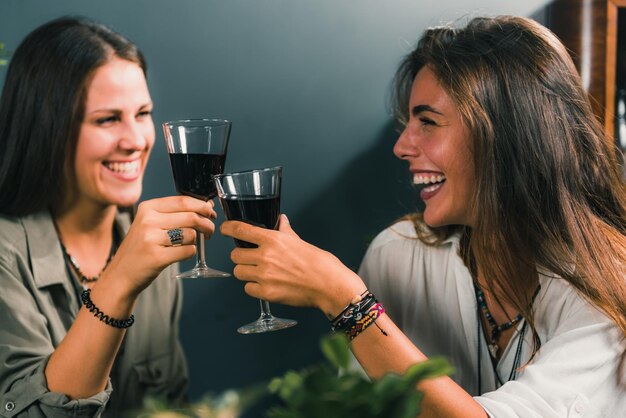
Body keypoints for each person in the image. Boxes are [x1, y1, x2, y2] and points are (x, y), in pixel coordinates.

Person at [221, 15, 626, 417]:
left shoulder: (606, 285)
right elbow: (358, 408)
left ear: (508, 134)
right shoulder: (398, 255)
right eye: (407, 122)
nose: (401, 146)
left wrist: (345, 300)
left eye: (428, 122)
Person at [0, 17, 216, 417]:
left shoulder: (159, 248)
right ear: (48, 128)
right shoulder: (5, 257)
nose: (135, 140)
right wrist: (120, 280)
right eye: (107, 119)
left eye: (143, 113)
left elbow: (168, 405)